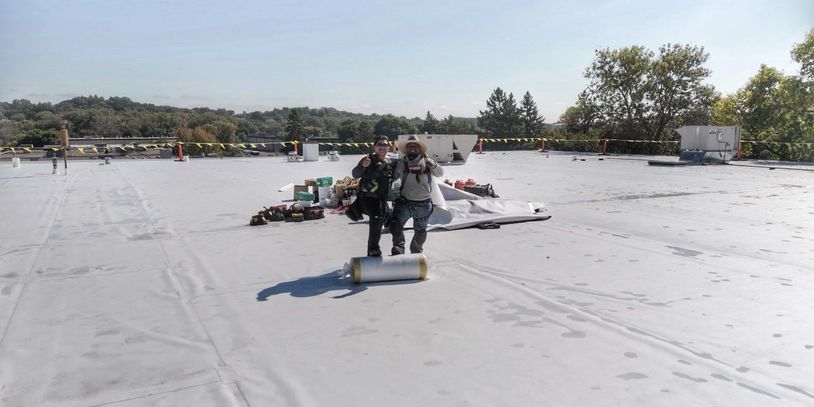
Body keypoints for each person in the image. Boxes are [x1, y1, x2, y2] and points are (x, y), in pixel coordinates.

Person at [390, 135, 443, 255]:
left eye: (415, 146)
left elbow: (440, 173)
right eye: (409, 146)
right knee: (395, 224)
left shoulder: (428, 162)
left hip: (423, 204)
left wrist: (432, 164)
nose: (412, 148)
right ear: (406, 149)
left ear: (420, 149)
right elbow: (393, 177)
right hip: (405, 202)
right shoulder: (401, 163)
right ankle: (399, 246)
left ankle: (416, 252)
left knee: (420, 231)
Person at [351, 135, 396, 257]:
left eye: (385, 145)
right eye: (379, 144)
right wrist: (363, 166)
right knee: (376, 223)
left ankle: (398, 247)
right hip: (367, 199)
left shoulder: (391, 162)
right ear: (374, 147)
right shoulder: (368, 159)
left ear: (388, 147)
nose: (382, 147)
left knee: (394, 221)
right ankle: (373, 250)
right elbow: (355, 174)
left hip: (382, 201)